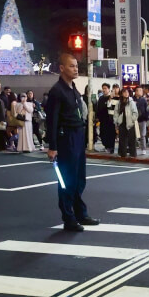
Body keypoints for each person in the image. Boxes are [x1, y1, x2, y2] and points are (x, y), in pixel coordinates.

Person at [45, 53, 100, 232]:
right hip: (65, 138)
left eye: (76, 66)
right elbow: (51, 121)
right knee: (66, 181)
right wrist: (52, 147)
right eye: (72, 66)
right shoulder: (56, 91)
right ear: (62, 68)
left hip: (77, 136)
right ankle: (68, 218)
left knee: (79, 179)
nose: (76, 69)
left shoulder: (74, 89)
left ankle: (80, 213)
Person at [114, 87, 139, 158]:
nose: (126, 94)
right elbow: (116, 113)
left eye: (127, 92)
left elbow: (135, 112)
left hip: (130, 123)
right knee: (122, 139)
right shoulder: (119, 103)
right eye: (124, 92)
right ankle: (122, 153)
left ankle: (132, 154)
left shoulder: (131, 102)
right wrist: (116, 121)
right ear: (121, 94)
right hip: (122, 123)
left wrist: (132, 120)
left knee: (132, 139)